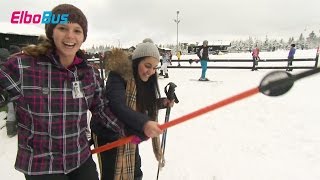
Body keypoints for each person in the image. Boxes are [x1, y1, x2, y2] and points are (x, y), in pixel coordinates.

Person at [0, 4, 123, 180]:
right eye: (63, 28)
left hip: (79, 157)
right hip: (42, 164)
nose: (70, 36)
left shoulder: (88, 73)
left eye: (77, 30)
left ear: (83, 37)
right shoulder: (23, 66)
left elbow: (102, 110)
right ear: (51, 32)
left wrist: (134, 126)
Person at [91, 39, 174, 180]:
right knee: (113, 175)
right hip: (108, 132)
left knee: (135, 172)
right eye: (147, 65)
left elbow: (141, 103)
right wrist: (144, 123)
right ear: (136, 62)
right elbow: (118, 106)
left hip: (130, 131)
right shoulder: (118, 76)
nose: (151, 72)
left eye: (155, 68)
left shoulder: (143, 80)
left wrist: (161, 103)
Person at [0, 47, 18, 137]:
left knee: (11, 110)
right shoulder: (6, 68)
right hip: (11, 94)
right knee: (12, 111)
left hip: (7, 94)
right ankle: (11, 131)